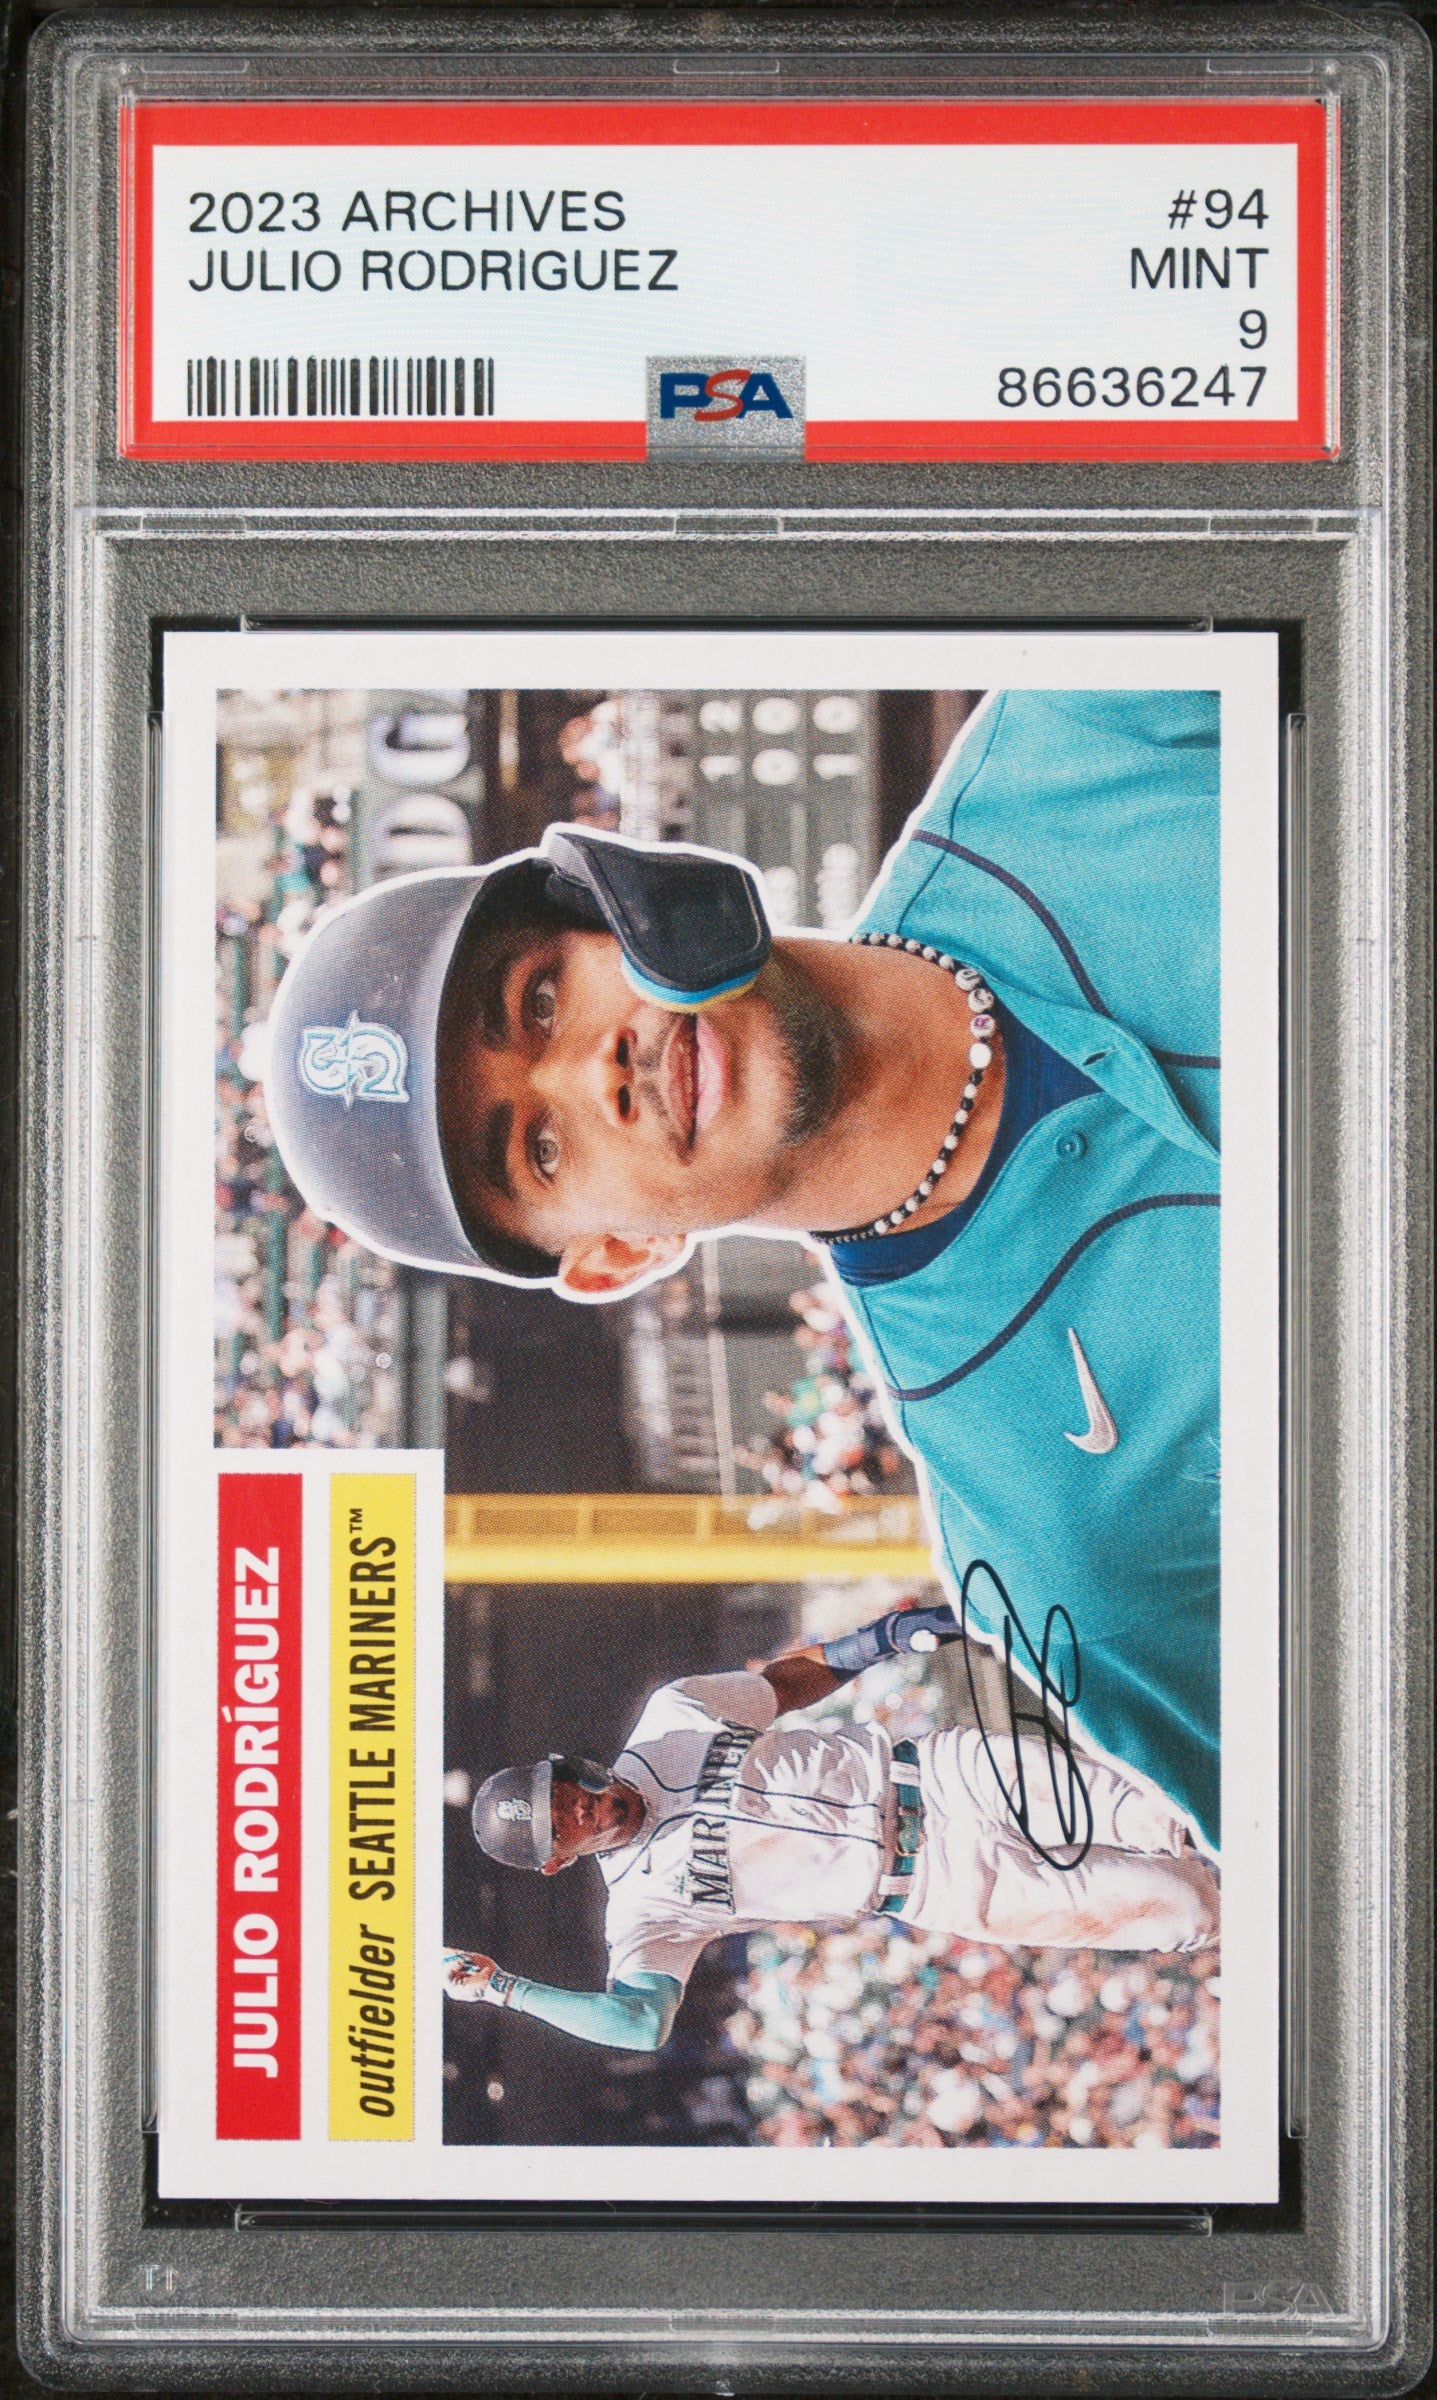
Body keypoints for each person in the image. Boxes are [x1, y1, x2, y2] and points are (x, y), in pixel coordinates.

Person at [264, 688, 1223, 1842]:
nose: (596, 1074)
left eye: (540, 1000)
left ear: (624, 902)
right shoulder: (1062, 1548)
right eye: (541, 1147)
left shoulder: (1092, 728)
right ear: (618, 1255)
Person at [442, 1597, 1219, 2054]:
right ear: (558, 1860)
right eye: (559, 1827)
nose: (576, 1809)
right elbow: (639, 2024)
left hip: (942, 1773)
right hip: (938, 1884)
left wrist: (880, 1639)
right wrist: (505, 1991)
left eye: (563, 1793)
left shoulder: (670, 1716)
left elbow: (780, 1685)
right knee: (1190, 1911)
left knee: (1166, 1809)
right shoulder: (644, 1910)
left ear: (569, 1768)